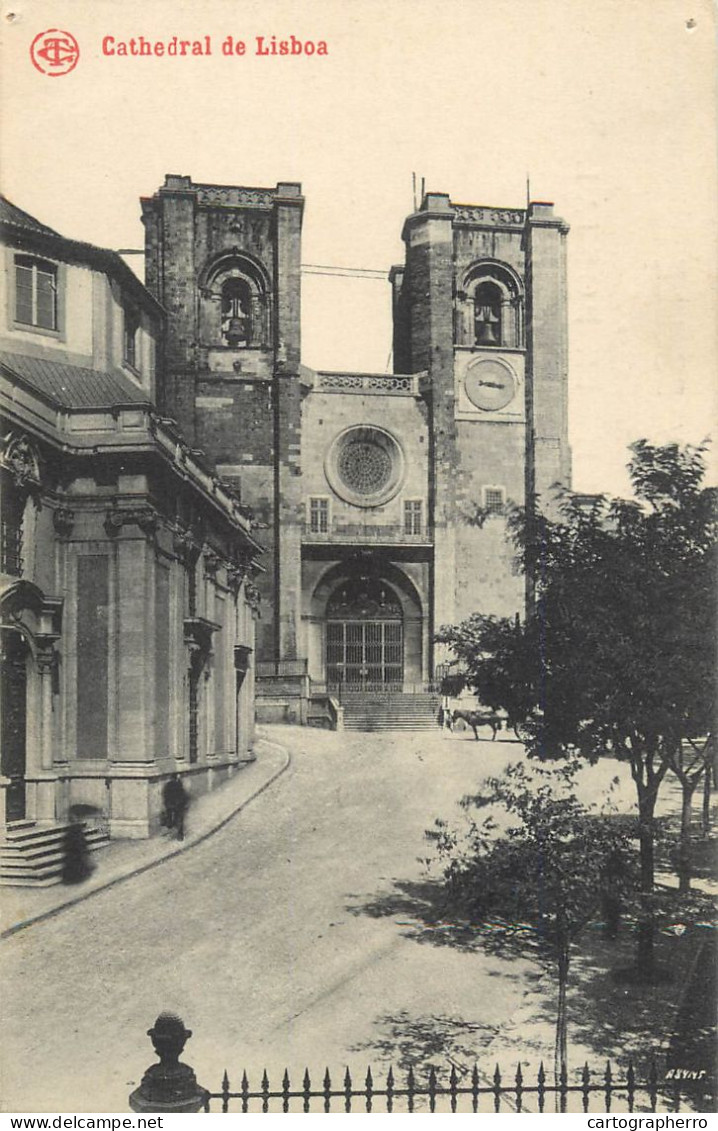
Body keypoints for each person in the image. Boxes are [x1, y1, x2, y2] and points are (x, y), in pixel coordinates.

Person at [163, 773, 189, 840]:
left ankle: (171, 826)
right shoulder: (179, 785)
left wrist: (167, 803)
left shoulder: (168, 785)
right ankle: (180, 835)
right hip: (179, 804)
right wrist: (184, 803)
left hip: (171, 804)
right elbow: (183, 794)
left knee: (171, 817)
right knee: (180, 819)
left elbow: (165, 794)